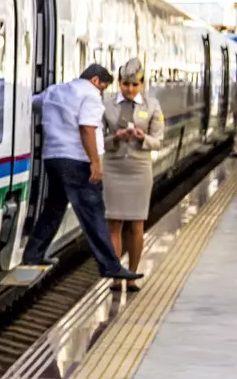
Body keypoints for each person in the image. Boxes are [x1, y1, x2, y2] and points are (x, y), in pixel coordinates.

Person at [22, 64, 142, 282]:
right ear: (96, 81)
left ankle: (33, 254)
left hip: (53, 159)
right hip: (77, 161)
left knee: (54, 208)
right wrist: (95, 163)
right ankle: (110, 266)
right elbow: (87, 129)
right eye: (103, 87)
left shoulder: (54, 91)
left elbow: (32, 104)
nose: (102, 92)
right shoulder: (90, 95)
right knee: (94, 213)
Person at [101, 58, 164, 292]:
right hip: (114, 168)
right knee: (114, 224)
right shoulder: (106, 104)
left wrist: (142, 138)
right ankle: (117, 275)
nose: (129, 89)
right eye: (126, 84)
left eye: (134, 85)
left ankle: (133, 276)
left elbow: (158, 140)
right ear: (119, 83)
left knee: (137, 224)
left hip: (139, 170)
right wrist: (115, 138)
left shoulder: (152, 105)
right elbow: (98, 140)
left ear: (142, 84)